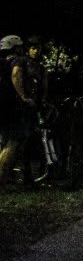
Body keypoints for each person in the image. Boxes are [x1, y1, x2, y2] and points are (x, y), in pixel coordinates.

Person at [0, 35, 37, 186]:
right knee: (14, 141)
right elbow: (16, 74)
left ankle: (7, 176)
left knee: (5, 140)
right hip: (10, 107)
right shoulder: (17, 61)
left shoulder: (2, 63)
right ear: (16, 47)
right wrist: (23, 97)